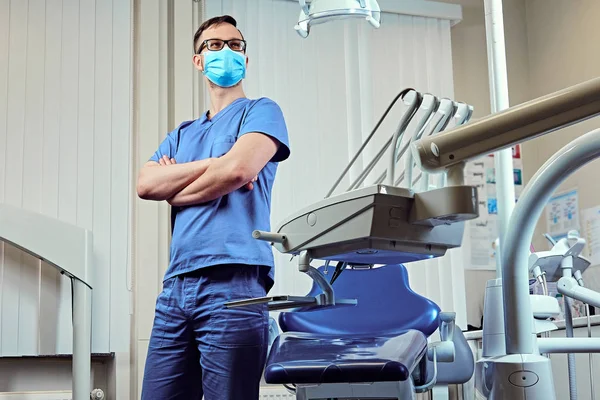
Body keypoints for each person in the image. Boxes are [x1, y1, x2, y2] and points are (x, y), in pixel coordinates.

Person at [137, 15, 291, 400]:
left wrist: (177, 189)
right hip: (176, 286)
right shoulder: (182, 134)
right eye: (214, 45)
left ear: (246, 59)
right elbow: (146, 184)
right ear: (198, 60)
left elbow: (239, 169)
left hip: (235, 283)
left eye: (235, 45)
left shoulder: (261, 111)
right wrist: (216, 163)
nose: (226, 51)